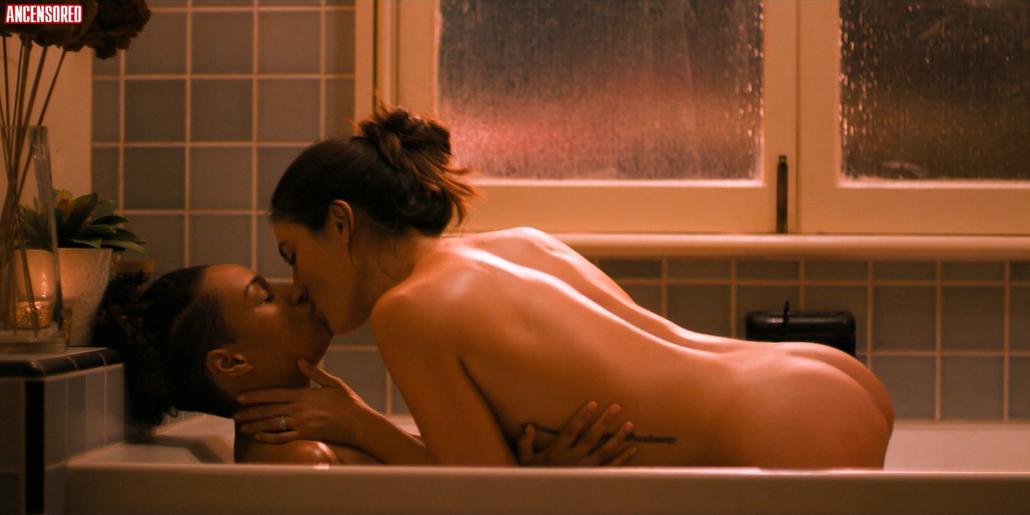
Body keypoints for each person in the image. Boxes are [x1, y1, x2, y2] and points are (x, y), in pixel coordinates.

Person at [235, 106, 895, 468]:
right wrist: (539, 470)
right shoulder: (518, 243)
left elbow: (483, 504)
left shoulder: (407, 312)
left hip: (780, 437)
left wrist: (358, 422)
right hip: (814, 383)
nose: (299, 285)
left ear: (341, 223)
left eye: (294, 254)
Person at [94, 266, 638, 466]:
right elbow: (472, 503)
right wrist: (361, 423)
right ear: (231, 363)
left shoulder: (311, 438)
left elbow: (457, 487)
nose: (296, 290)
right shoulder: (299, 463)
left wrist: (537, 476)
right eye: (264, 297)